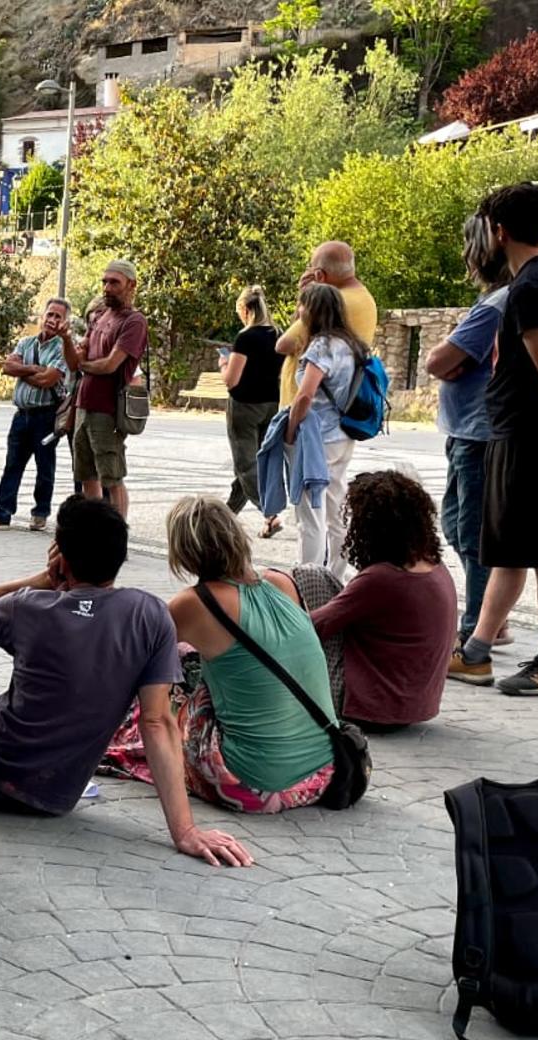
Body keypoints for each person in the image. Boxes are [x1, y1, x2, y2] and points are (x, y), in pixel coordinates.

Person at [0, 497, 253, 865]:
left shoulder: (27, 606)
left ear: (62, 560)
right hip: (56, 794)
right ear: (120, 558)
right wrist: (185, 831)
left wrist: (38, 582)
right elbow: (156, 721)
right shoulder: (149, 615)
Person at [448, 182, 538, 697]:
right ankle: (477, 651)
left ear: (499, 231)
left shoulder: (531, 289)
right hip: (522, 432)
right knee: (508, 547)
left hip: (529, 434)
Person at [163, 496, 337, 813]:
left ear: (185, 553)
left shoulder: (195, 603)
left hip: (255, 782)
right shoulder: (282, 581)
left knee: (176, 680)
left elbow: (139, 648)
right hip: (324, 772)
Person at [305, 471, 457, 731]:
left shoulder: (383, 579)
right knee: (324, 580)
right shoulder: (434, 564)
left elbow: (311, 629)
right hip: (411, 704)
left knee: (309, 576)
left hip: (372, 707)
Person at [425, 214, 514, 646]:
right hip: (466, 430)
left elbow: (437, 362)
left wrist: (453, 362)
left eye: (469, 247)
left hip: (478, 436)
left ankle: (480, 625)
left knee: (473, 533)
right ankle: (490, 616)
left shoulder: (494, 305)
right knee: (457, 525)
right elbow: (451, 362)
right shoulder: (498, 301)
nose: (465, 256)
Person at [283, 283, 370, 576]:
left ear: (313, 310)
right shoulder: (352, 344)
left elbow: (306, 394)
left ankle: (306, 578)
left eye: (302, 305)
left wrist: (291, 429)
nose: (299, 311)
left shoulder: (322, 346)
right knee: (336, 509)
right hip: (344, 434)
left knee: (310, 512)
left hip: (317, 436)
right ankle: (335, 575)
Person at [0, 298, 72, 532]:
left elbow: (48, 379)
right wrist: (34, 369)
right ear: (42, 316)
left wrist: (24, 371)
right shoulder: (26, 343)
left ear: (65, 322)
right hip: (21, 414)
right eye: (49, 314)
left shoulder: (63, 349)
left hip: (46, 415)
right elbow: (8, 367)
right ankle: (2, 511)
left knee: (44, 466)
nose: (52, 320)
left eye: (58, 317)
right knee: (13, 464)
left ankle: (40, 512)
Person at [63, 260, 147, 518]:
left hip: (108, 410)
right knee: (86, 473)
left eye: (114, 282)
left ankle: (118, 535)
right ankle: (95, 530)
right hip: (83, 406)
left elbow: (111, 365)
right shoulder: (100, 317)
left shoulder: (134, 321)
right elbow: (75, 362)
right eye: (105, 282)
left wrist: (83, 364)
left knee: (112, 476)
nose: (107, 287)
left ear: (131, 285)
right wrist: (66, 339)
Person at [221, 285, 283, 539]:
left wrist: (224, 364)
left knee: (246, 465)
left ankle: (270, 514)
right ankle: (226, 516)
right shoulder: (278, 334)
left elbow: (231, 380)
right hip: (271, 403)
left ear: (245, 310)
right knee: (256, 464)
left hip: (244, 406)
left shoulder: (246, 338)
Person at [275, 241, 379, 371]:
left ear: (319, 275)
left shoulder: (330, 303)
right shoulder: (364, 296)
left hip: (310, 388)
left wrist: (307, 297)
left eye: (311, 267)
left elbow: (284, 345)